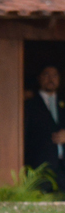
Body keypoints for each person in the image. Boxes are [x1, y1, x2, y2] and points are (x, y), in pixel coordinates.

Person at [24, 65, 65, 193]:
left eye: (54, 75)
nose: (50, 79)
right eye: (46, 75)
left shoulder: (63, 102)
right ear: (39, 78)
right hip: (39, 167)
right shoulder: (29, 104)